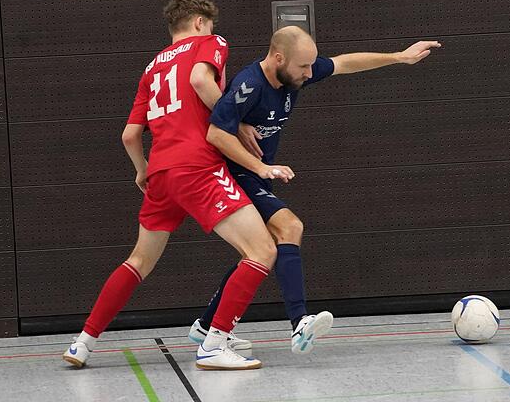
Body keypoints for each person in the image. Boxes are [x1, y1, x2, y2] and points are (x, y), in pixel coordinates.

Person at [63, 0, 294, 371]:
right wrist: (234, 120)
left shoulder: (151, 68)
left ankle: (82, 343)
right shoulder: (210, 43)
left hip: (161, 173)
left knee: (138, 261)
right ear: (200, 22)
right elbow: (201, 79)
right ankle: (214, 343)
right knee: (263, 251)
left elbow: (129, 135)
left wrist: (142, 170)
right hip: (197, 167)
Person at [188, 26, 441, 354]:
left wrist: (398, 57)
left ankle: (207, 325)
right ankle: (299, 323)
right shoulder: (248, 85)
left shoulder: (296, 73)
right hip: (233, 176)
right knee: (290, 226)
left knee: (255, 254)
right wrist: (262, 167)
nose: (309, 73)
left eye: (311, 66)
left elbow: (344, 63)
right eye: (303, 67)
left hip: (255, 176)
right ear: (278, 58)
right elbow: (216, 135)